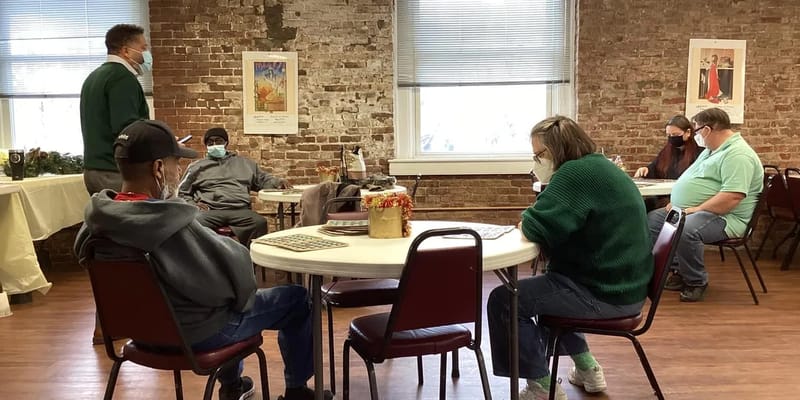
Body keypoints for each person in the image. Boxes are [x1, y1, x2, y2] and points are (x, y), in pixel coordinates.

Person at [74, 120, 331, 400]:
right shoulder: (172, 223)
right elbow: (234, 277)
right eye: (175, 164)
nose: (178, 171)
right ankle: (295, 391)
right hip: (193, 336)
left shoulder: (96, 224)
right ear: (158, 168)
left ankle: (233, 387)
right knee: (295, 299)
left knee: (218, 298)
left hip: (138, 334)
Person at [487, 116, 654, 400]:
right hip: (626, 289)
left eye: (538, 155)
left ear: (555, 150)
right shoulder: (601, 166)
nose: (536, 162)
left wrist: (528, 218)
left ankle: (540, 385)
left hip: (604, 295)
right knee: (553, 282)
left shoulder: (574, 174)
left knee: (505, 300)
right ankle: (588, 369)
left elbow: (534, 226)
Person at [647, 108, 763, 302]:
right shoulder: (712, 151)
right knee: (654, 220)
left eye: (698, 131)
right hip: (700, 210)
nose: (697, 136)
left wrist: (696, 209)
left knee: (684, 228)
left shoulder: (738, 155)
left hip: (726, 217)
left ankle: (696, 281)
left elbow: (732, 197)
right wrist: (677, 203)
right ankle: (678, 270)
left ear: (707, 130)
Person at [178, 127, 291, 244]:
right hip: (210, 211)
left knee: (259, 222)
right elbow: (181, 192)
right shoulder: (196, 167)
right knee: (193, 223)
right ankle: (206, 257)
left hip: (240, 209)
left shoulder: (244, 164)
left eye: (218, 141)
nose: (214, 144)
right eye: (210, 142)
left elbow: (262, 179)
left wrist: (278, 182)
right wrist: (193, 205)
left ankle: (246, 257)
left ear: (226, 143)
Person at [80, 24, 152, 195]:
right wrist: (158, 143)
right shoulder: (122, 78)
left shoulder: (94, 76)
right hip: (115, 171)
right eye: (143, 48)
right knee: (131, 220)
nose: (147, 54)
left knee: (107, 220)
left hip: (93, 169)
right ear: (126, 51)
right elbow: (127, 129)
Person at [634, 115, 704, 210]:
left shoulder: (700, 154)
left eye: (675, 135)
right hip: (661, 198)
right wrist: (645, 169)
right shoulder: (666, 151)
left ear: (688, 132)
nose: (671, 138)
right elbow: (655, 168)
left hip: (681, 200)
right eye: (669, 135)